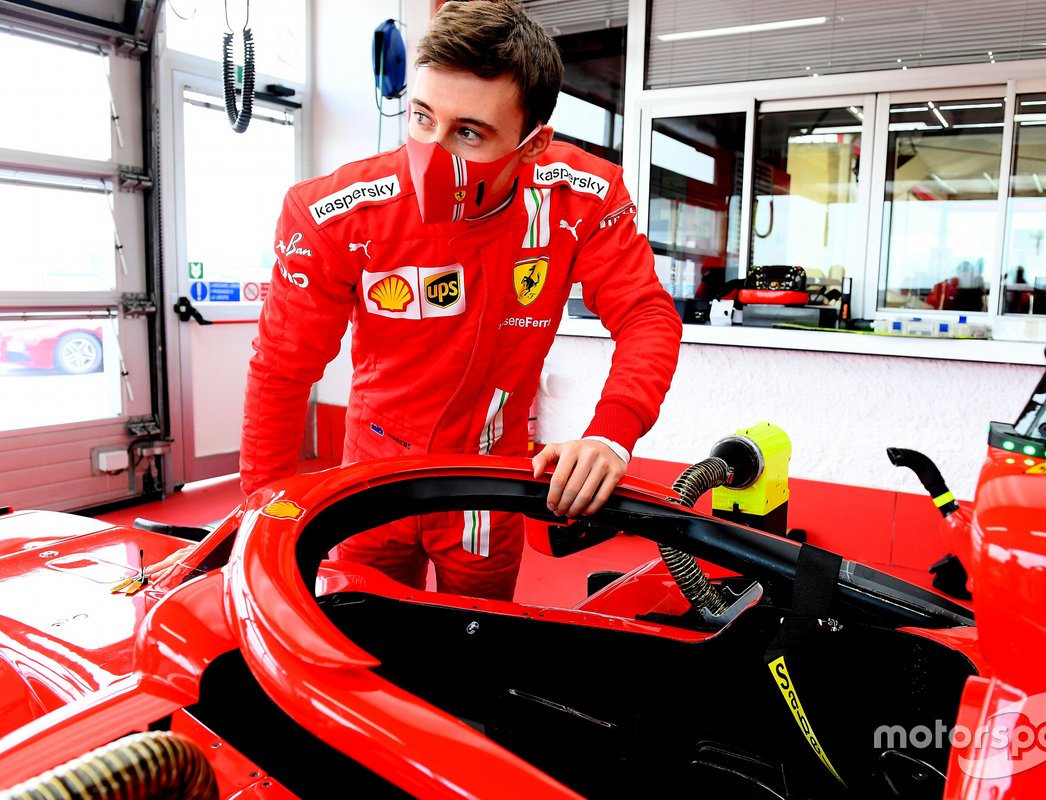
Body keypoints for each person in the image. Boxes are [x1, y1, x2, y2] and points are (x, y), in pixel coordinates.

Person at [151, 0, 682, 600]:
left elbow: (646, 314)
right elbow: (282, 369)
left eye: (469, 133)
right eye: (422, 117)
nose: (433, 149)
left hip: (488, 484)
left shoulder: (583, 194)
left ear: (533, 145)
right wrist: (264, 512)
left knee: (472, 657)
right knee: (365, 649)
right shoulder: (335, 212)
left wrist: (612, 431)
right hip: (371, 480)